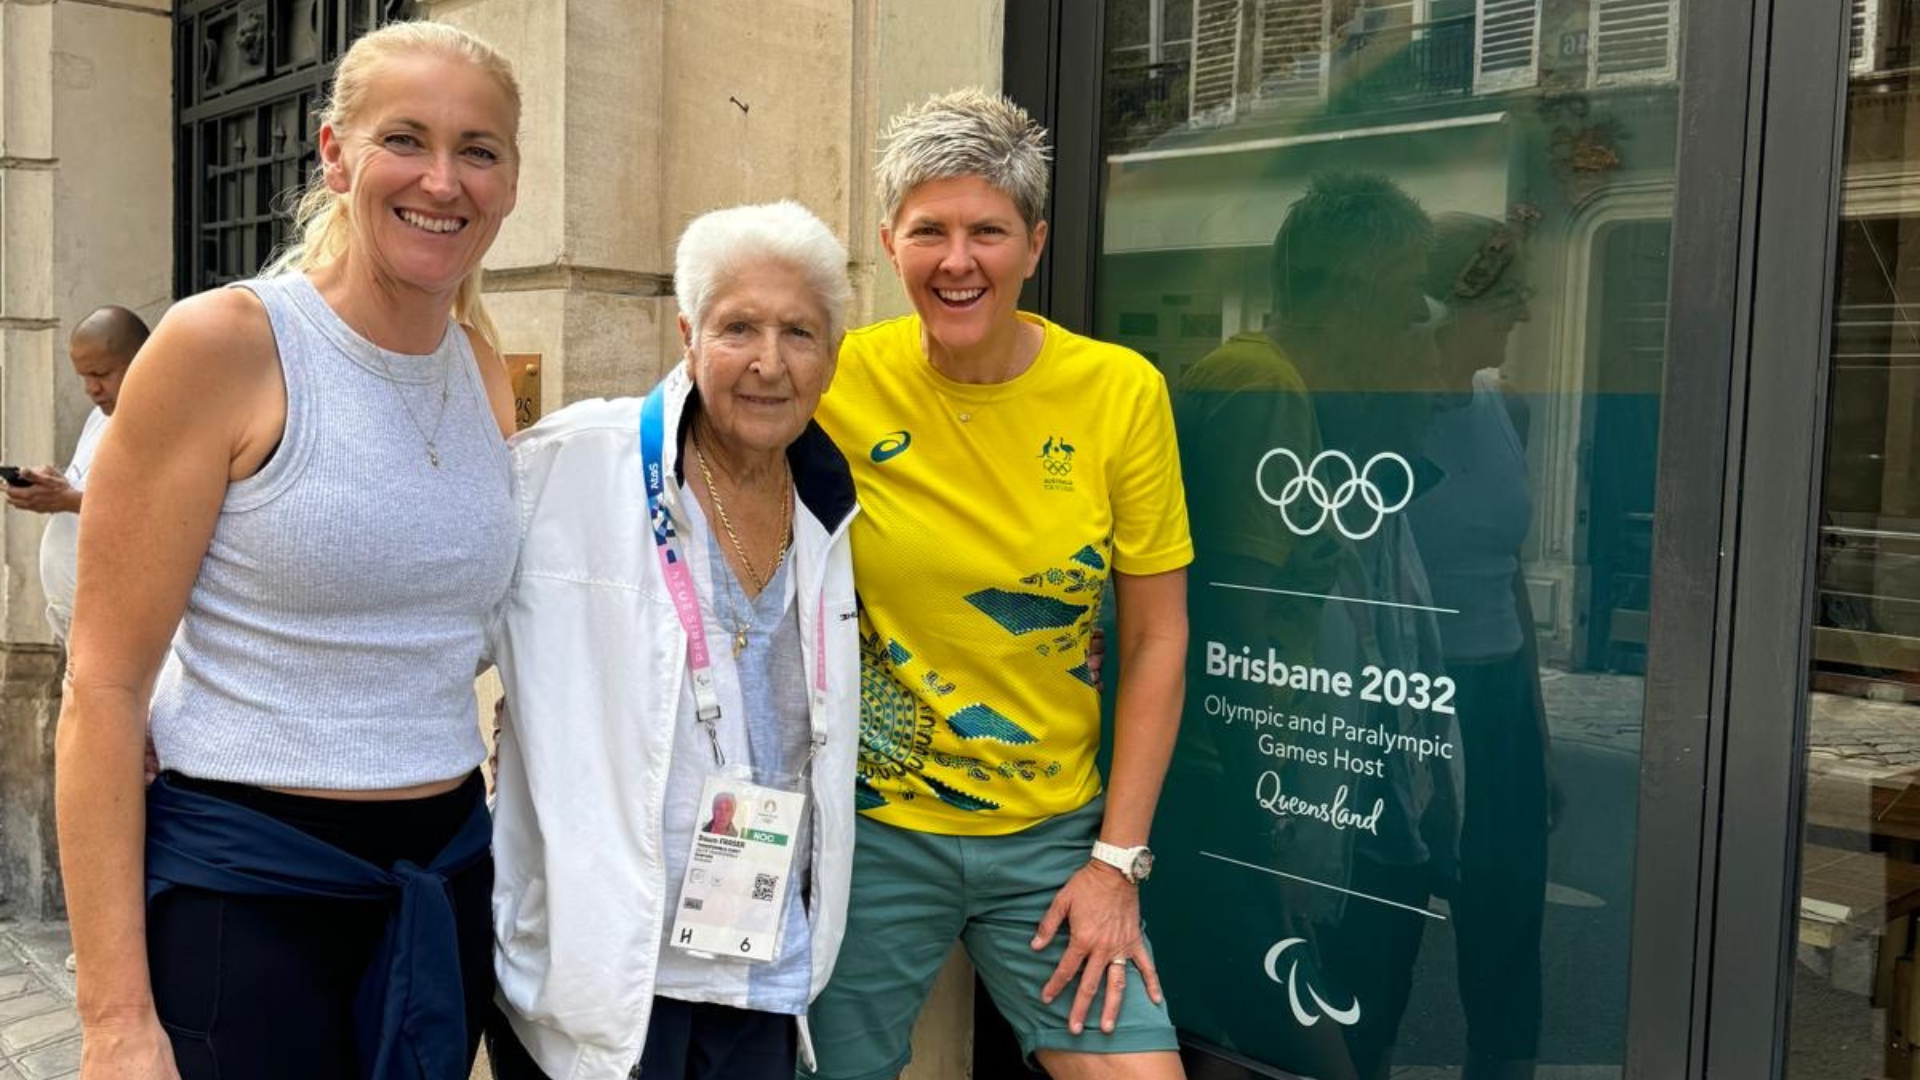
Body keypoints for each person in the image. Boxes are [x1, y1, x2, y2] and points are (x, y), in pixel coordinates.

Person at [54, 21, 520, 1080]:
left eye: (479, 150)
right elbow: (103, 688)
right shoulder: (227, 345)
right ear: (334, 154)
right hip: (245, 902)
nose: (443, 181)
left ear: (510, 180)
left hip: (443, 882)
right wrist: (116, 1020)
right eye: (406, 139)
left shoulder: (484, 369)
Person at [805, 88, 1194, 1080]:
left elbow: (1155, 639)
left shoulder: (1119, 393)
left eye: (988, 229)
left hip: (1053, 843)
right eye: (929, 230)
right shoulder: (833, 378)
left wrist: (1116, 863)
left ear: (1034, 243)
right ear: (889, 242)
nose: (957, 259)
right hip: (872, 836)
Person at [485, 201, 860, 1080]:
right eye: (739, 327)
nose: (770, 363)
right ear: (688, 337)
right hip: (603, 973)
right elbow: (419, 637)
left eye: (800, 332)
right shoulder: (569, 467)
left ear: (833, 357)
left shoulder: (830, 508)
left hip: (761, 962)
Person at [1407, 212, 1561, 1080]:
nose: (1524, 313)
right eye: (1509, 294)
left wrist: (1534, 736)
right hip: (1408, 690)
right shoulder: (1388, 411)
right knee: (1381, 926)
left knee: (1506, 941)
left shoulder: (1507, 406)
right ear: (1454, 298)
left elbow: (1507, 579)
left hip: (1493, 693)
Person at [4, 306, 148, 644]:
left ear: (143, 359)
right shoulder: (102, 416)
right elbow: (91, 487)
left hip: (120, 630)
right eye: (83, 376)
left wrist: (68, 499)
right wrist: (55, 486)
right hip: (80, 626)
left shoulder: (164, 424)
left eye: (100, 374)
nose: (90, 389)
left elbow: (158, 513)